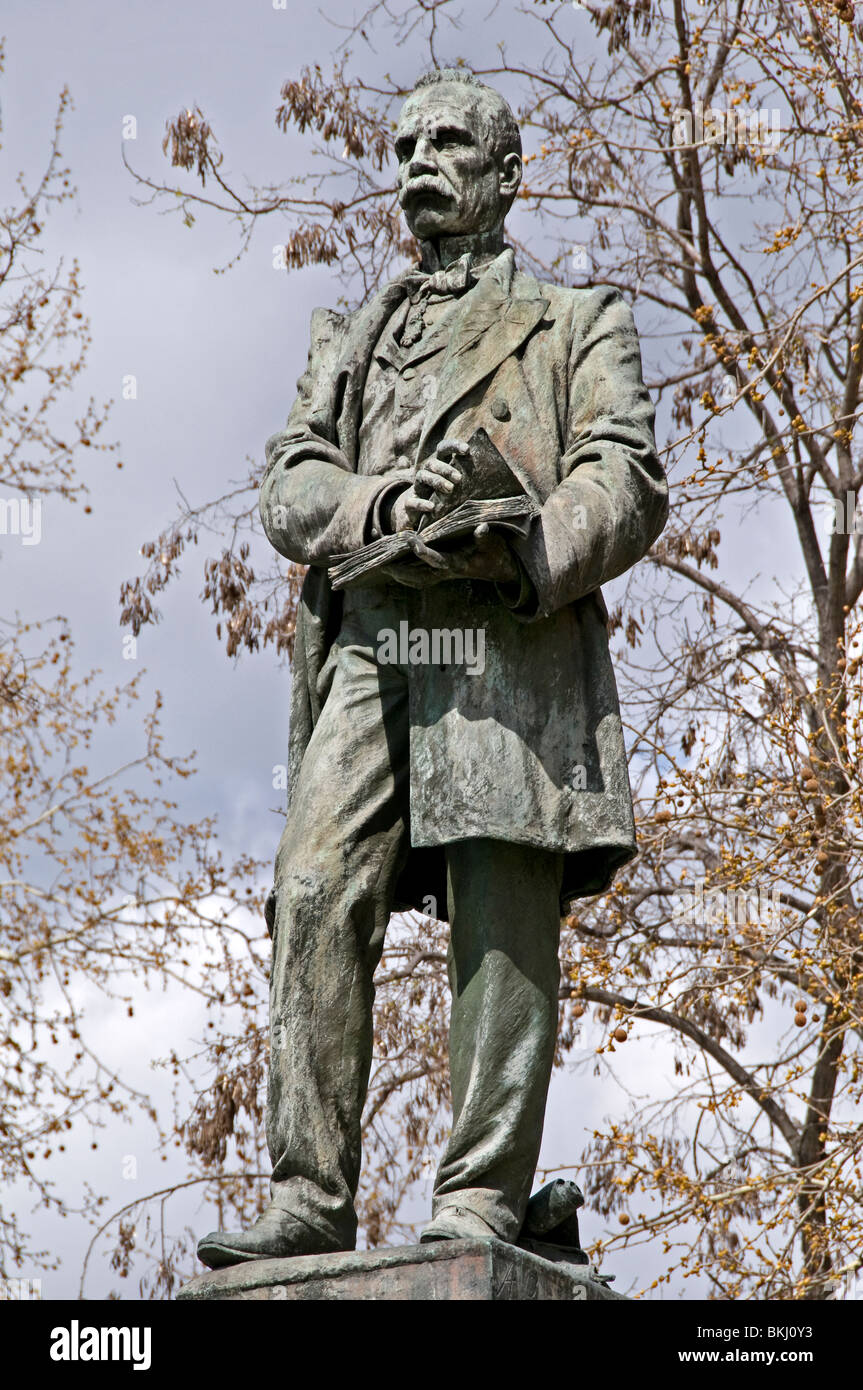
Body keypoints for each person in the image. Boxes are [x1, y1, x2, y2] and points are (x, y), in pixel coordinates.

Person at [197, 68, 668, 1268]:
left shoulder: (573, 320)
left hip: (499, 637)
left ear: (505, 177)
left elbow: (622, 476)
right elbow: (289, 481)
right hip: (374, 637)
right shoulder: (349, 335)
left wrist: (521, 536)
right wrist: (374, 500)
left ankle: (480, 1200)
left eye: (448, 142)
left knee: (496, 911)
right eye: (404, 143)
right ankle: (307, 1192)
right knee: (310, 890)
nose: (417, 160)